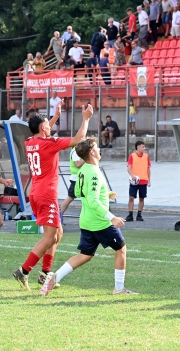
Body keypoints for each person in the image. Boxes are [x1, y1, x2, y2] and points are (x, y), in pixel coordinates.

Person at [40, 138, 137, 296]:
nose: (99, 149)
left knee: (85, 255)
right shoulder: (94, 172)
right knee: (121, 248)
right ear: (92, 152)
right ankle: (119, 289)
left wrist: (105, 194)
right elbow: (92, 200)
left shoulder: (82, 170)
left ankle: (55, 277)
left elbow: (79, 193)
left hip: (86, 220)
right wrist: (111, 217)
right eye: (97, 147)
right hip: (99, 222)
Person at [12, 104, 93, 292]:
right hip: (46, 194)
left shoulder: (30, 142)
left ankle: (45, 273)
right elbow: (78, 139)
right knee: (49, 238)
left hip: (36, 193)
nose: (51, 127)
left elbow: (42, 133)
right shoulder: (49, 144)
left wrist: (54, 117)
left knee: (58, 234)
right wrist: (86, 118)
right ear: (43, 128)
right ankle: (23, 271)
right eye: (48, 125)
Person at [59, 147, 85, 225]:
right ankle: (58, 217)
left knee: (85, 198)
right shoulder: (75, 151)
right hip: (76, 179)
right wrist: (87, 158)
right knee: (70, 198)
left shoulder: (79, 150)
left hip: (81, 177)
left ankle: (58, 217)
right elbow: (77, 164)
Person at [126, 141, 151, 222]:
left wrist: (149, 179)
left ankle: (139, 214)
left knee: (141, 198)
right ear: (138, 147)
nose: (144, 148)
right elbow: (129, 167)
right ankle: (130, 214)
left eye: (144, 147)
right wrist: (132, 175)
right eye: (142, 147)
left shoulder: (146, 156)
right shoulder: (132, 156)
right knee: (131, 197)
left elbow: (148, 169)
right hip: (134, 181)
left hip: (143, 180)